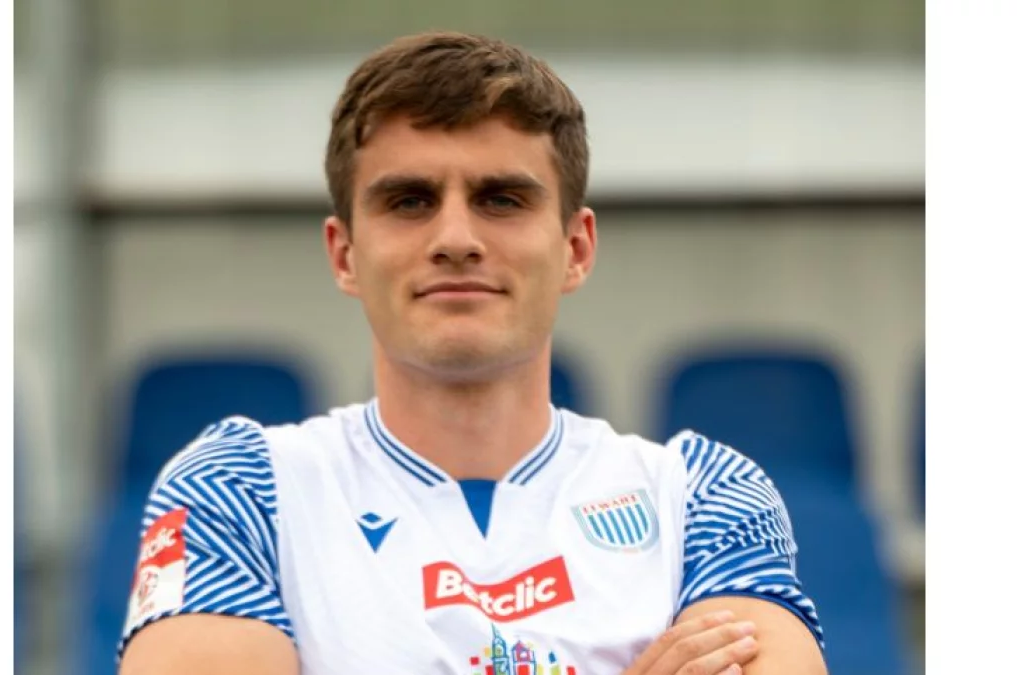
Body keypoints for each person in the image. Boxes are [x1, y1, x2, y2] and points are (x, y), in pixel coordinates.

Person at [116, 30, 828, 675]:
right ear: (345, 254)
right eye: (409, 201)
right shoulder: (238, 490)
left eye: (502, 199)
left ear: (576, 248)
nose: (456, 238)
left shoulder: (703, 497)